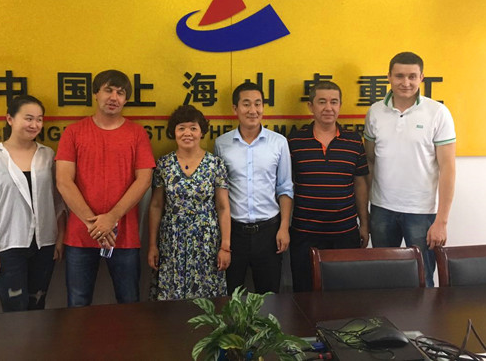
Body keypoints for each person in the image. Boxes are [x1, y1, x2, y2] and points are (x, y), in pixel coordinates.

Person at [55, 70, 155, 306]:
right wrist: (94, 224)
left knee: (129, 302)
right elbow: (63, 181)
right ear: (95, 94)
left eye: (120, 93)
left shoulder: (137, 133)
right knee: (77, 304)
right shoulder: (73, 132)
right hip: (81, 235)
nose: (114, 97)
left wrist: (112, 217)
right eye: (108, 90)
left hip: (124, 235)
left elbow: (144, 180)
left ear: (126, 99)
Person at [364, 52, 456, 287]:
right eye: (399, 76)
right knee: (384, 279)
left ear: (421, 77)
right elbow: (370, 161)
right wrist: (366, 209)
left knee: (423, 280)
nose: (406, 82)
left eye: (412, 76)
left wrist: (442, 221)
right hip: (382, 209)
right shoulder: (375, 112)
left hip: (421, 212)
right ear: (389, 77)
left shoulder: (438, 113)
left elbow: (448, 168)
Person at [0, 95, 66, 312]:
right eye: (28, 118)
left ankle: (37, 338)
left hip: (44, 244)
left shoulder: (47, 155)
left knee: (37, 304)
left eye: (39, 119)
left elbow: (58, 202)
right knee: (14, 308)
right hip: (9, 245)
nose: (35, 125)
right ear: (10, 119)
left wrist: (60, 238)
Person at [287, 81, 369, 292]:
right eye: (322, 102)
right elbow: (285, 186)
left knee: (344, 293)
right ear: (310, 106)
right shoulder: (295, 141)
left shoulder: (354, 142)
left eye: (334, 102)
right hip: (304, 232)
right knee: (304, 292)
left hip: (345, 231)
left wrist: (364, 224)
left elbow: (360, 184)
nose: (328, 108)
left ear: (340, 105)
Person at [214, 82, 293, 294]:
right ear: (235, 108)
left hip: (269, 232)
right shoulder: (222, 144)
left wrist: (284, 227)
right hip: (234, 232)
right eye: (246, 104)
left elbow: (285, 188)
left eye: (258, 104)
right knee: (231, 298)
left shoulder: (278, 143)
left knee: (270, 297)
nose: (253, 110)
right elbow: (220, 193)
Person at [148, 105, 231, 300]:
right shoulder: (164, 164)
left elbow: (223, 207)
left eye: (193, 128)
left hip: (207, 241)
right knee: (171, 298)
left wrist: (225, 246)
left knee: (207, 299)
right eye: (181, 128)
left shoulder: (215, 164)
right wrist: (152, 244)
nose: (187, 133)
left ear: (201, 132)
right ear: (174, 132)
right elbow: (156, 206)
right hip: (172, 240)